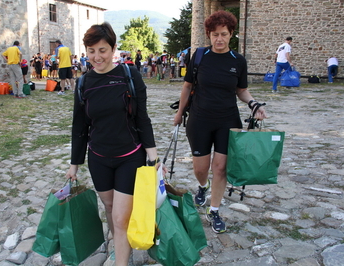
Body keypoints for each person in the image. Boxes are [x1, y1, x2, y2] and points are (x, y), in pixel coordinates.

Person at [65, 22, 165, 266]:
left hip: (129, 156)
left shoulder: (129, 76)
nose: (97, 57)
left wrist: (153, 157)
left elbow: (142, 117)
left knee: (121, 217)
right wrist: (74, 165)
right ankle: (119, 246)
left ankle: (121, 260)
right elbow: (80, 127)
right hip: (98, 157)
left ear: (113, 49)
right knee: (110, 208)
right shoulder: (83, 83)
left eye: (102, 50)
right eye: (91, 51)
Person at [173, 10, 267, 234]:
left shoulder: (238, 61)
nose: (219, 39)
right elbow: (187, 86)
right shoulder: (199, 56)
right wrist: (180, 113)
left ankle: (214, 210)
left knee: (221, 167)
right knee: (201, 168)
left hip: (227, 120)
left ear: (231, 34)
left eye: (224, 34)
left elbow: (241, 90)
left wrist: (254, 104)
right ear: (209, 34)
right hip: (199, 119)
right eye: (215, 34)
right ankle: (202, 186)